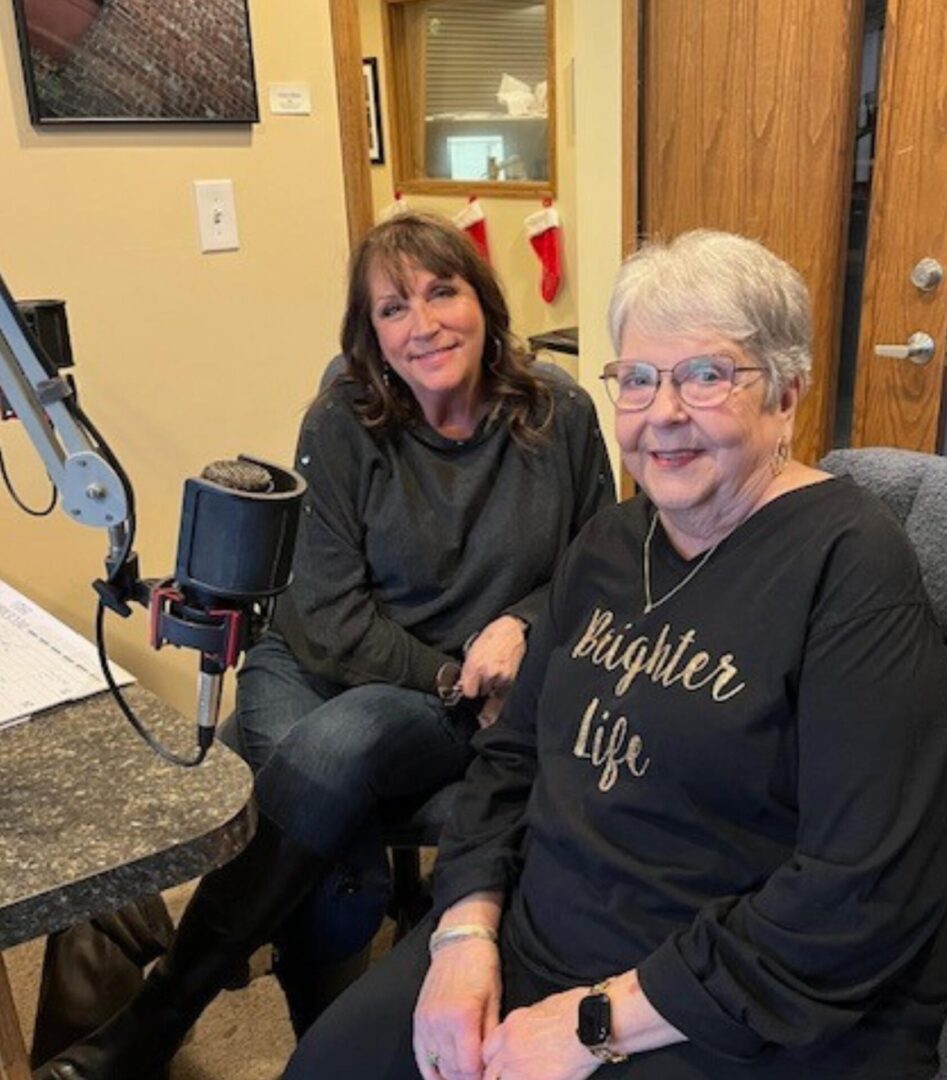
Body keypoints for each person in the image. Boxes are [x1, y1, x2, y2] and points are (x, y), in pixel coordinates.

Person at [283, 230, 947, 1080]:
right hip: (539, 942)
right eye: (640, 379)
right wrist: (463, 936)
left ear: (788, 395)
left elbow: (867, 885)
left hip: (733, 1001)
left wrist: (596, 1024)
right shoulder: (610, 546)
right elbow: (508, 762)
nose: (664, 414)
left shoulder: (850, 564)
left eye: (708, 375)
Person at [34, 211, 613, 1080]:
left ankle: (162, 1010)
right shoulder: (344, 419)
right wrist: (457, 670)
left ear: (485, 301)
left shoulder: (557, 414)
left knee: (337, 754)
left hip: (436, 702)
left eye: (442, 292)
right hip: (314, 665)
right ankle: (317, 1038)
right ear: (369, 335)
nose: (423, 326)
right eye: (392, 309)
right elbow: (331, 616)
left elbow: (597, 561)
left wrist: (523, 621)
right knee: (328, 799)